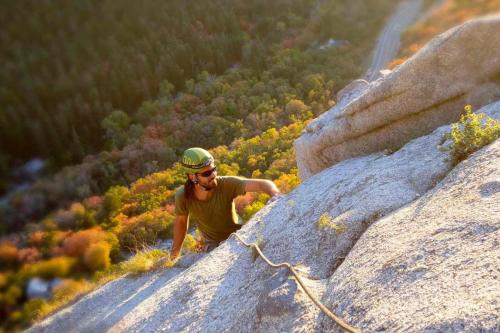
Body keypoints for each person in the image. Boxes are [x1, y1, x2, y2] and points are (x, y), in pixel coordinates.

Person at [170, 147, 281, 260]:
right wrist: (174, 254)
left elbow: (264, 184)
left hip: (239, 236)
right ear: (192, 176)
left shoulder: (226, 184)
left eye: (214, 169)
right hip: (211, 245)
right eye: (207, 173)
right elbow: (181, 223)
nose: (213, 175)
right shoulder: (183, 196)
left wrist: (276, 195)